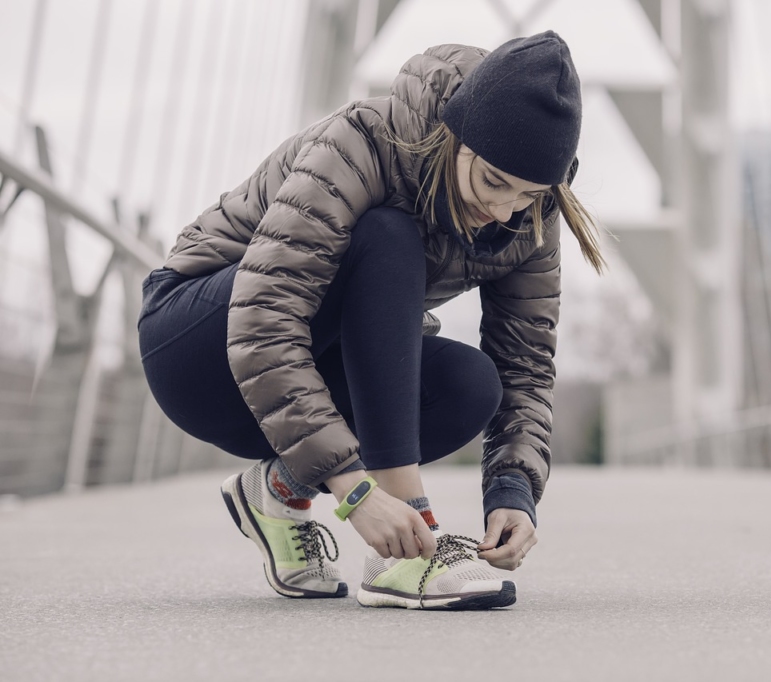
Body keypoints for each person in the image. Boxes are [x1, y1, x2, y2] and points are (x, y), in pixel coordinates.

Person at [138, 30, 604, 610]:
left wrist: (514, 491)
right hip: (196, 348)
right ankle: (407, 543)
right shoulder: (364, 142)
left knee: (470, 385)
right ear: (455, 135)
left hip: (295, 377)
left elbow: (525, 366)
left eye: (532, 194)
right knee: (387, 233)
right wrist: (355, 490)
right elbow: (264, 320)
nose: (506, 208)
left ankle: (278, 487)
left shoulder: (528, 217)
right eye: (493, 181)